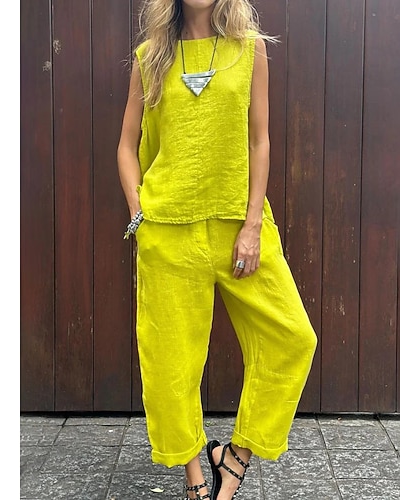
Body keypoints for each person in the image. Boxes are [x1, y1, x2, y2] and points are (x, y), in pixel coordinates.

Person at [117, 1, 318, 498]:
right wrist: (140, 216)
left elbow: (259, 141)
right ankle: (196, 480)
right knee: (170, 364)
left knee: (292, 338)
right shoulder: (150, 58)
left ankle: (235, 459)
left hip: (238, 227)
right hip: (168, 232)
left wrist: (252, 225)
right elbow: (126, 146)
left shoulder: (249, 50)